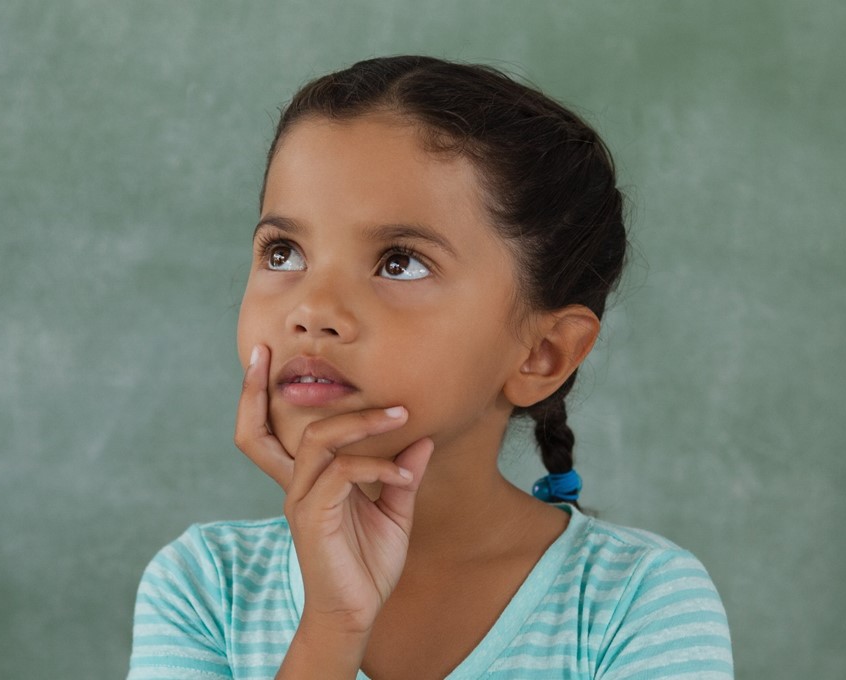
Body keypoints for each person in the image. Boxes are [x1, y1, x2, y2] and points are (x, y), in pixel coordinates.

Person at [128, 55, 733, 679]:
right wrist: (333, 626)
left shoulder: (636, 603)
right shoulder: (206, 587)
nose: (312, 310)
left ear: (542, 354)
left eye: (400, 263)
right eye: (283, 252)